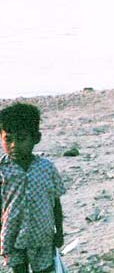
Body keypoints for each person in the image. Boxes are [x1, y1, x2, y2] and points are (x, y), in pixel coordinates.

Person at [0, 103, 65, 273]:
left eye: (21, 139)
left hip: (42, 236)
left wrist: (60, 231)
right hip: (12, 236)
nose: (14, 145)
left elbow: (55, 203)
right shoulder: (1, 171)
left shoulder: (46, 168)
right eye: (8, 139)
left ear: (36, 138)